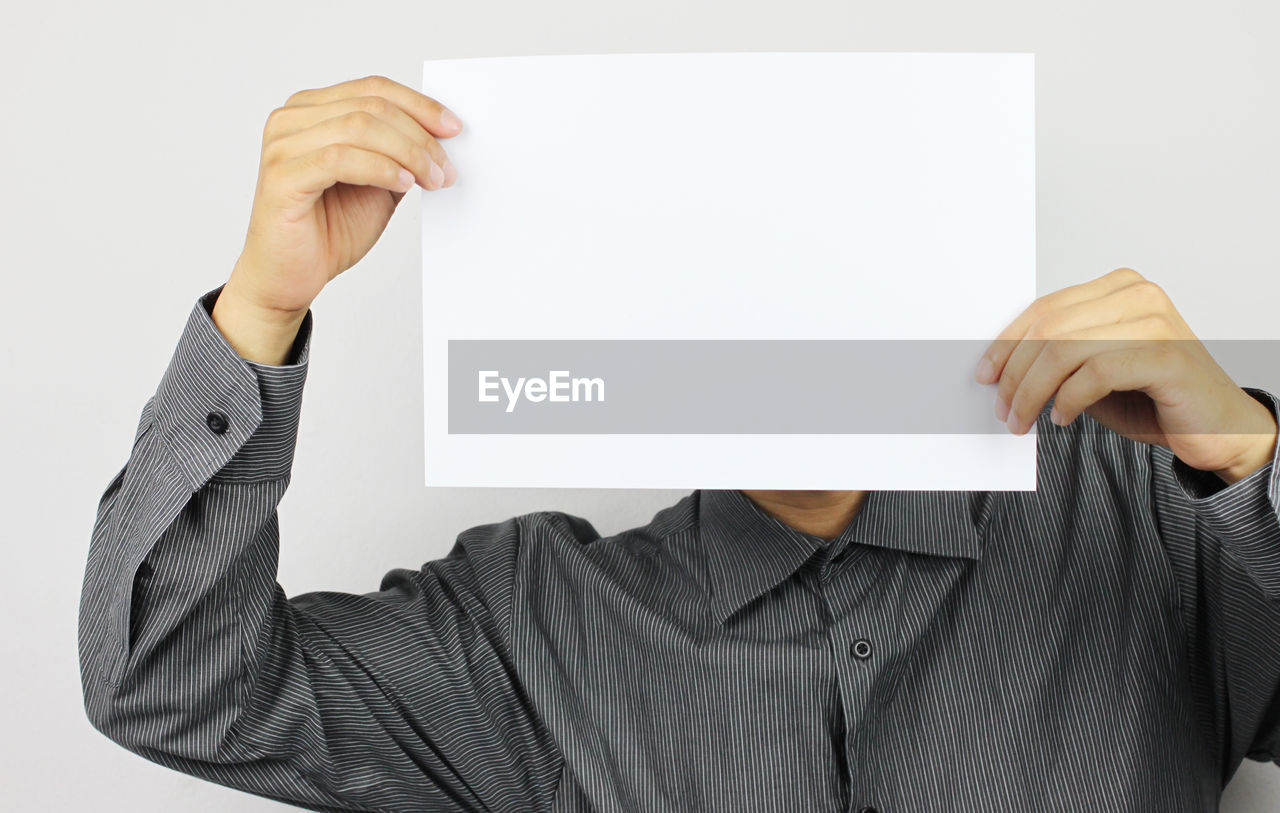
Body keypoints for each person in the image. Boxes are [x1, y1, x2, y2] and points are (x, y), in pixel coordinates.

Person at [79, 75, 1280, 813]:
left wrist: (1242, 453)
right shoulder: (528, 622)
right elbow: (175, 688)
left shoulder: (1148, 515)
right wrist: (260, 308)